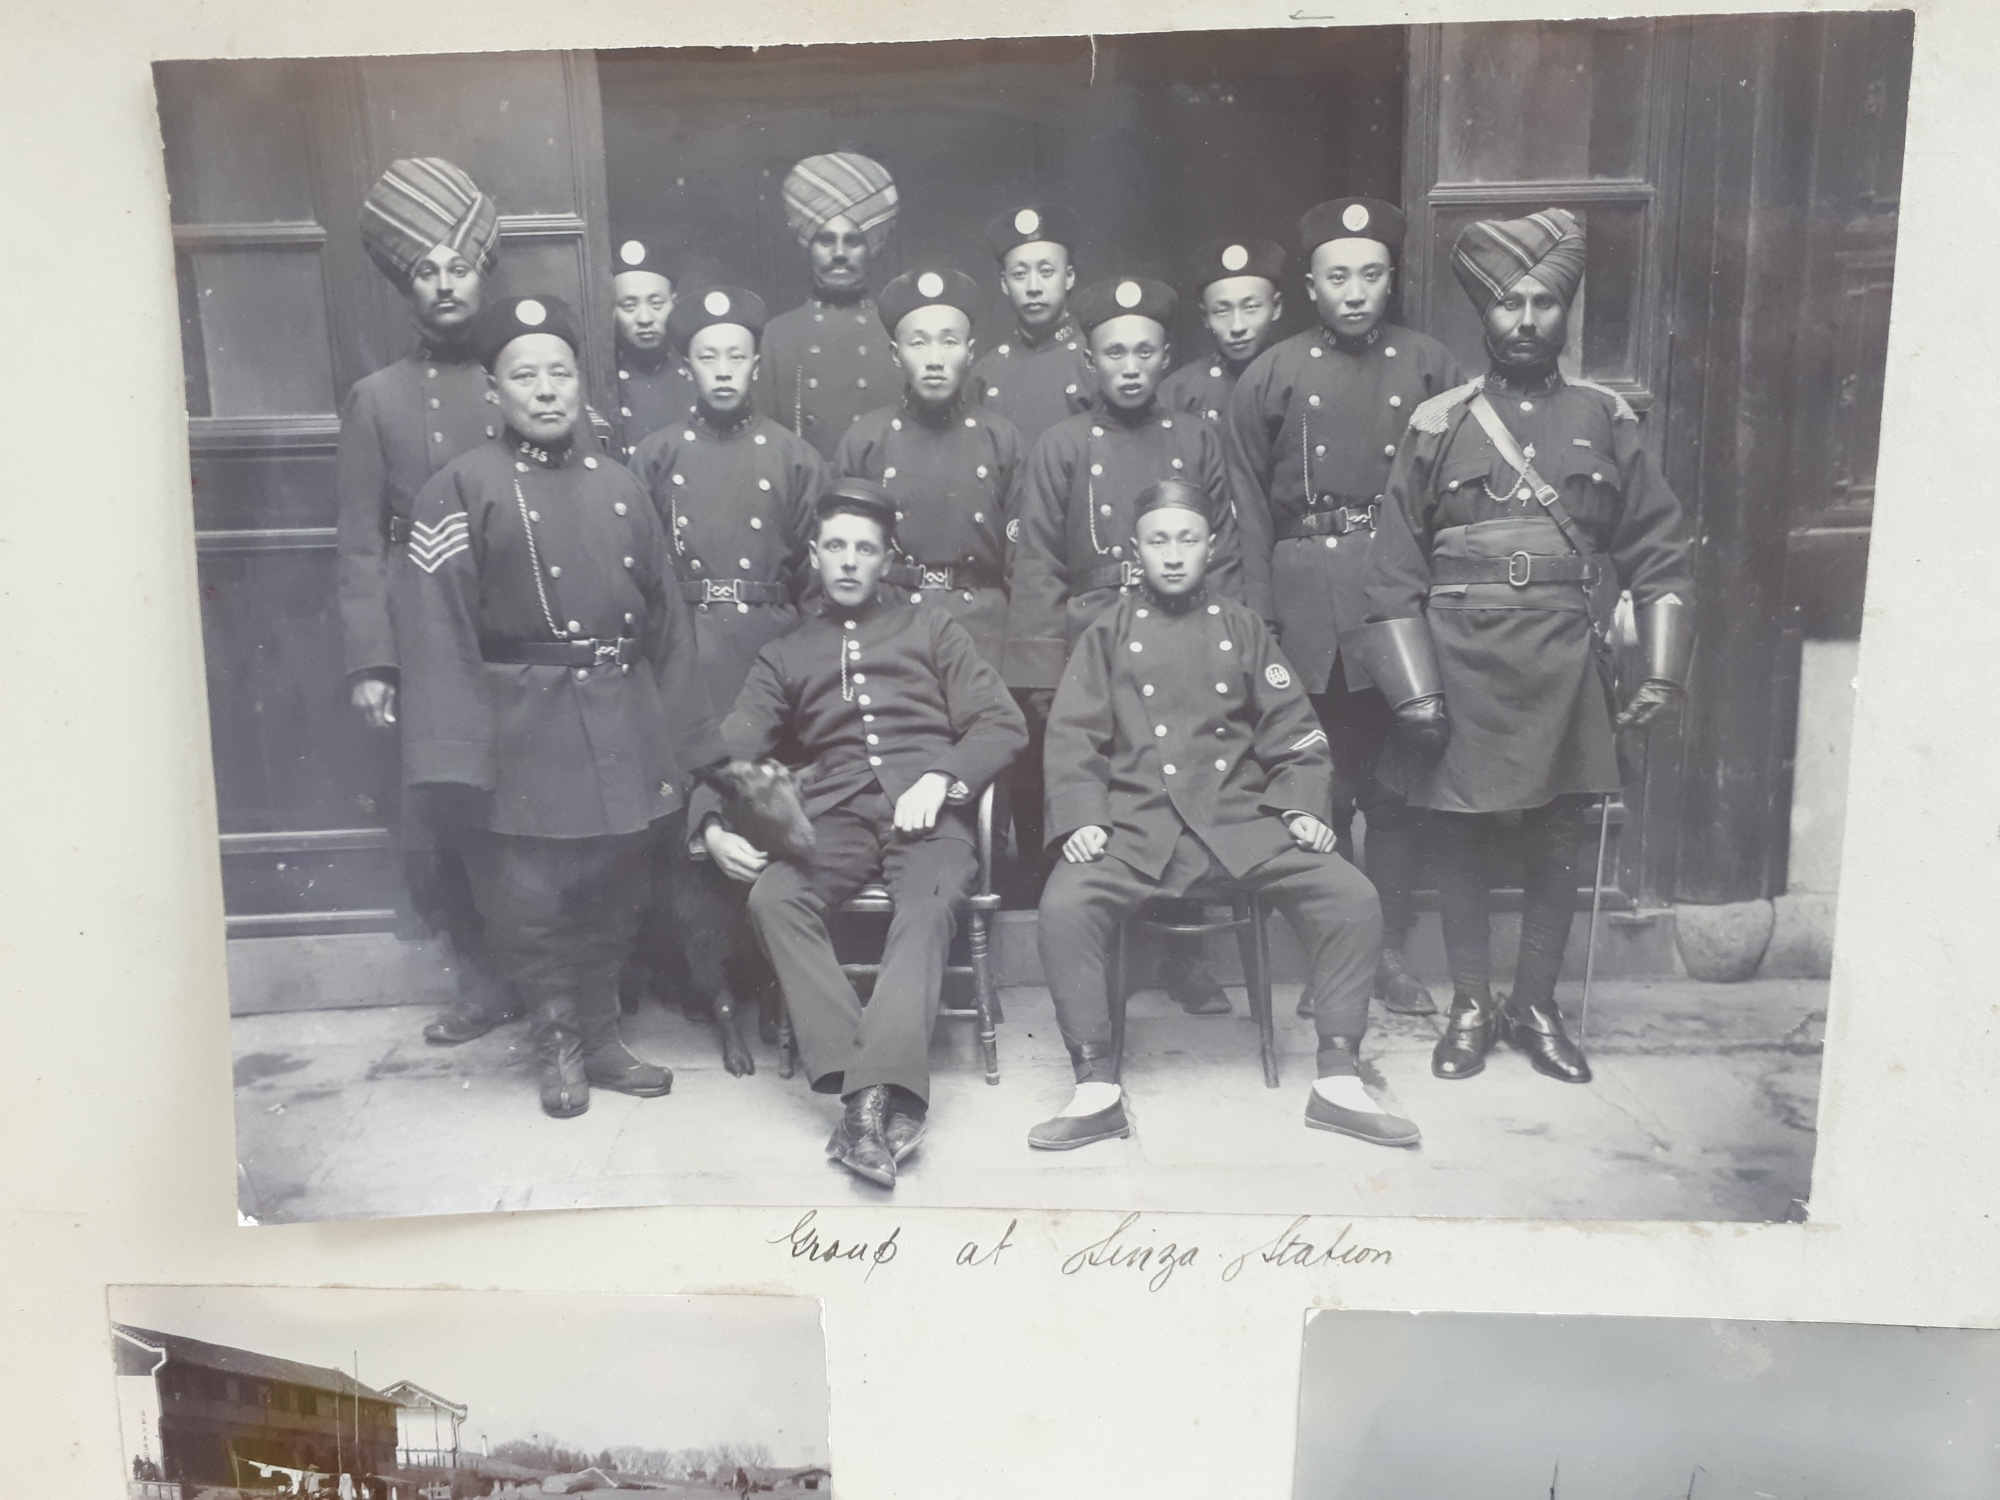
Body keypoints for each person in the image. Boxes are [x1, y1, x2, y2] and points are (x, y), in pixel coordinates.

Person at [1354, 207, 1694, 1086]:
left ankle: (1536, 1005)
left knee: (1560, 833)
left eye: (1544, 302)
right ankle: (1471, 1003)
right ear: (1484, 314)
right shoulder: (1438, 423)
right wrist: (1414, 691)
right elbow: (1392, 565)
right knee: (1456, 834)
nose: (1526, 320)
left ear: (1566, 311)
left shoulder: (1604, 418)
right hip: (1460, 653)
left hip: (1566, 652)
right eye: (1509, 304)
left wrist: (1660, 667)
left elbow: (1657, 546)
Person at [394, 295, 725, 1118]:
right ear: (494, 393)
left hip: (617, 717)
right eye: (524, 376)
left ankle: (604, 1037)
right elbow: (435, 634)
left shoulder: (620, 486)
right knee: (532, 900)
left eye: (560, 374)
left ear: (581, 384)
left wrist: (682, 742)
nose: (545, 392)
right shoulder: (457, 490)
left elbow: (667, 620)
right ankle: (558, 1045)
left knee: (615, 892)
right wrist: (458, 760)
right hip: (521, 728)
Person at [1029, 479, 1419, 1150]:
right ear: (1137, 549)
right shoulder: (1107, 634)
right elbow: (1071, 738)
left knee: (1351, 897)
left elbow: (1296, 732)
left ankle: (1338, 1081)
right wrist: (1082, 817)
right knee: (1064, 907)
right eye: (1158, 541)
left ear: (1209, 546)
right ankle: (1095, 1088)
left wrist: (1300, 806)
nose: (1173, 555)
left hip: (1238, 823)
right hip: (1136, 827)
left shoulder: (1241, 628)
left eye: (1186, 539)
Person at [695, 480, 1026, 1188]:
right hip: (835, 816)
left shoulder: (932, 629)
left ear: (886, 559)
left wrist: (944, 778)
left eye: (865, 549)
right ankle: (873, 1095)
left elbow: (1000, 722)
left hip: (929, 816)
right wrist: (714, 824)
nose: (849, 561)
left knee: (931, 904)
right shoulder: (785, 653)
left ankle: (861, 1108)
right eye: (836, 547)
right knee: (772, 899)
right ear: (814, 554)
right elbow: (732, 752)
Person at [1226, 197, 1466, 1018]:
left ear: (1392, 279)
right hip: (1302, 602)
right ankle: (1331, 952)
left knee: (1394, 791)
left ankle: (1387, 954)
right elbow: (1248, 509)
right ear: (1310, 286)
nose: (1355, 291)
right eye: (1338, 277)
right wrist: (1257, 617)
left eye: (1370, 275)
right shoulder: (1272, 373)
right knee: (1316, 788)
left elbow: (1451, 499)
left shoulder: (1431, 365)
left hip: (1395, 598)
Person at [1007, 276, 1258, 1012]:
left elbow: (1231, 551)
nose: (1128, 366)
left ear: (1164, 356)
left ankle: (1182, 958)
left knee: (1184, 783)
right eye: (1113, 352)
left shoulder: (1195, 438)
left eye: (1143, 351)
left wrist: (1230, 656)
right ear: (1089, 360)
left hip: (1187, 636)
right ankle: (1106, 953)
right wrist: (1046, 674)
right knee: (1114, 798)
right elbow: (1040, 564)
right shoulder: (1060, 446)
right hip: (1094, 640)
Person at [335, 156, 519, 1047]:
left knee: (532, 801)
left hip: (519, 623)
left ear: (484, 276)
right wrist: (373, 661)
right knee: (440, 818)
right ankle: (481, 982)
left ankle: (560, 971)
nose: (446, 284)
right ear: (406, 287)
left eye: (460, 265)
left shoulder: (520, 380)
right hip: (422, 634)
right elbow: (361, 540)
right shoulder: (377, 400)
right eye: (426, 270)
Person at [630, 286, 828, 712]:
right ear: (687, 369)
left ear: (755, 365)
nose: (723, 371)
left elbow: (816, 584)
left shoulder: (794, 458)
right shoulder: (656, 456)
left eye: (736, 357)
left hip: (770, 650)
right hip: (685, 650)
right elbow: (638, 576)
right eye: (708, 357)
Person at [834, 267, 1020, 671]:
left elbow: (1024, 565)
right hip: (890, 629)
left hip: (985, 634)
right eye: (918, 343)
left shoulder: (1001, 439)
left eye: (948, 342)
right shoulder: (865, 440)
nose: (934, 360)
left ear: (970, 351)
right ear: (895, 353)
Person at [754, 152, 903, 458]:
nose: (839, 253)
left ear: (872, 247)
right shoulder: (775, 337)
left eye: (852, 241)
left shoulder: (898, 333)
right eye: (825, 240)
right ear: (808, 246)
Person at [969, 204, 1094, 452]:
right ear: (1005, 283)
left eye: (1046, 272)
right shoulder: (985, 373)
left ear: (1068, 277)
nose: (1033, 286)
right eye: (1019, 274)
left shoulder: (1095, 362)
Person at [1158, 237, 1288, 423]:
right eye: (1221, 311)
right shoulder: (1178, 391)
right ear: (1205, 317)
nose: (1237, 326)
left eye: (1250, 307)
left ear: (1276, 307)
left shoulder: (1299, 379)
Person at [609, 236, 697, 461]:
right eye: (629, 306)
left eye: (656, 304)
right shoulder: (602, 383)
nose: (645, 318)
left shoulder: (697, 373)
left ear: (673, 303)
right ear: (612, 310)